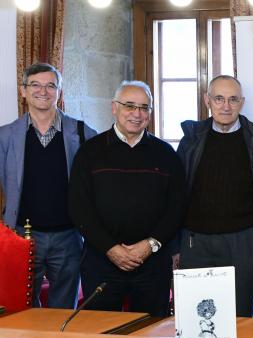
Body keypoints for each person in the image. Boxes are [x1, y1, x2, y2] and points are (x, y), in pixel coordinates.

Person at [68, 81, 185, 317]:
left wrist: (149, 245)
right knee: (100, 336)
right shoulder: (90, 151)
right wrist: (111, 249)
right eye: (129, 106)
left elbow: (177, 208)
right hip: (102, 262)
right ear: (114, 108)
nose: (137, 114)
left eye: (144, 107)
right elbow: (79, 207)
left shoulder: (166, 154)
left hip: (152, 264)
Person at [177, 75, 253, 317]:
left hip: (244, 245)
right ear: (207, 100)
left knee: (239, 320)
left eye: (232, 99)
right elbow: (174, 196)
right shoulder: (191, 140)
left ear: (242, 102)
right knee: (196, 322)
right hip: (195, 244)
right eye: (219, 99)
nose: (226, 106)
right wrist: (173, 246)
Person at [0, 62, 97, 308]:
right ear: (23, 91)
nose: (43, 91)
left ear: (59, 92)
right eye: (35, 85)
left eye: (50, 85)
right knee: (20, 311)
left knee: (64, 310)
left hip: (68, 236)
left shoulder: (83, 133)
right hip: (22, 235)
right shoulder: (5, 136)